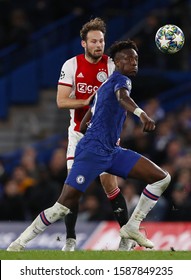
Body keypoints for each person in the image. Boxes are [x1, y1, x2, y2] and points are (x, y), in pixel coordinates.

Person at [7, 39, 171, 252]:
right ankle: (18, 243)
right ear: (116, 63)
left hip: (111, 150)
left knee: (161, 178)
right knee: (62, 206)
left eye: (136, 59)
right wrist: (142, 114)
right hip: (93, 152)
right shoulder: (122, 81)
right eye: (128, 58)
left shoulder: (103, 87)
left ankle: (132, 226)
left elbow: (85, 123)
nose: (134, 62)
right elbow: (123, 98)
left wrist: (99, 130)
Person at [56, 17, 134, 251]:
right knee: (72, 187)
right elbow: (61, 101)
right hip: (79, 135)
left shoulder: (112, 66)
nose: (99, 45)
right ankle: (70, 240)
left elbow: (122, 96)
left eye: (101, 40)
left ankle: (127, 236)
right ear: (84, 44)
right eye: (93, 41)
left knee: (109, 183)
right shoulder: (71, 65)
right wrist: (87, 102)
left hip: (105, 134)